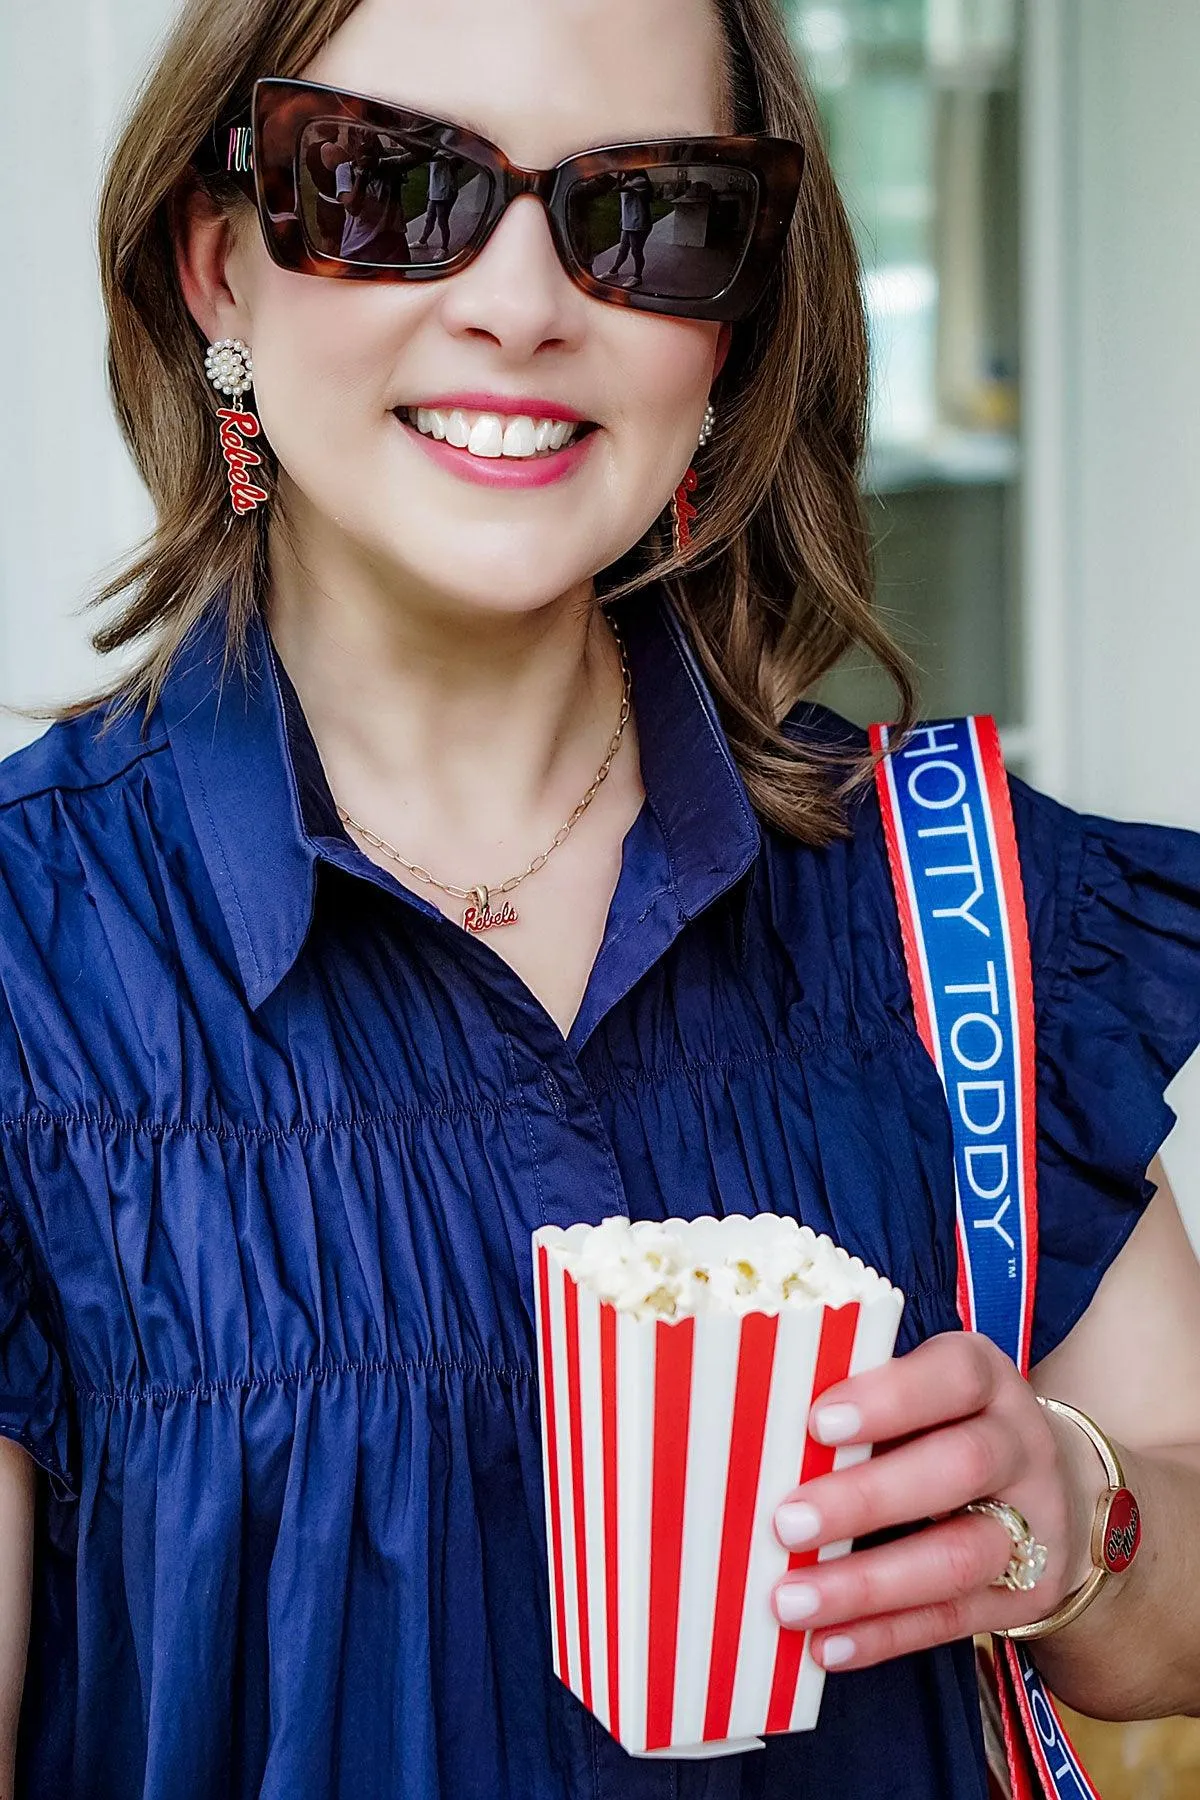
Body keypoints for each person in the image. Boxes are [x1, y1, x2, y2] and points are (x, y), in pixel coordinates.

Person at [2, 0, 1200, 1796]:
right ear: (218, 269)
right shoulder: (25, 964)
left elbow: (1173, 1581)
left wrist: (1070, 1514)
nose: (522, 303)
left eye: (651, 214)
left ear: (728, 334)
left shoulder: (956, 900)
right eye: (389, 185)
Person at [606, 167, 654, 285]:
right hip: (629, 223)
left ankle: (637, 277)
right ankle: (613, 272)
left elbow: (616, 189)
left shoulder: (640, 180)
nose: (626, 169)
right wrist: (623, 218)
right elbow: (627, 202)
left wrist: (619, 172)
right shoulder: (629, 181)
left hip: (639, 223)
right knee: (622, 250)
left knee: (636, 252)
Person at [417, 149, 458, 255]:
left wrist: (417, 152)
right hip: (434, 191)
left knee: (442, 221)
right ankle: (422, 242)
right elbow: (433, 171)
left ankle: (444, 248)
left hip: (444, 191)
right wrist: (430, 189)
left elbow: (434, 158)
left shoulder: (449, 150)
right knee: (429, 218)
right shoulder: (435, 149)